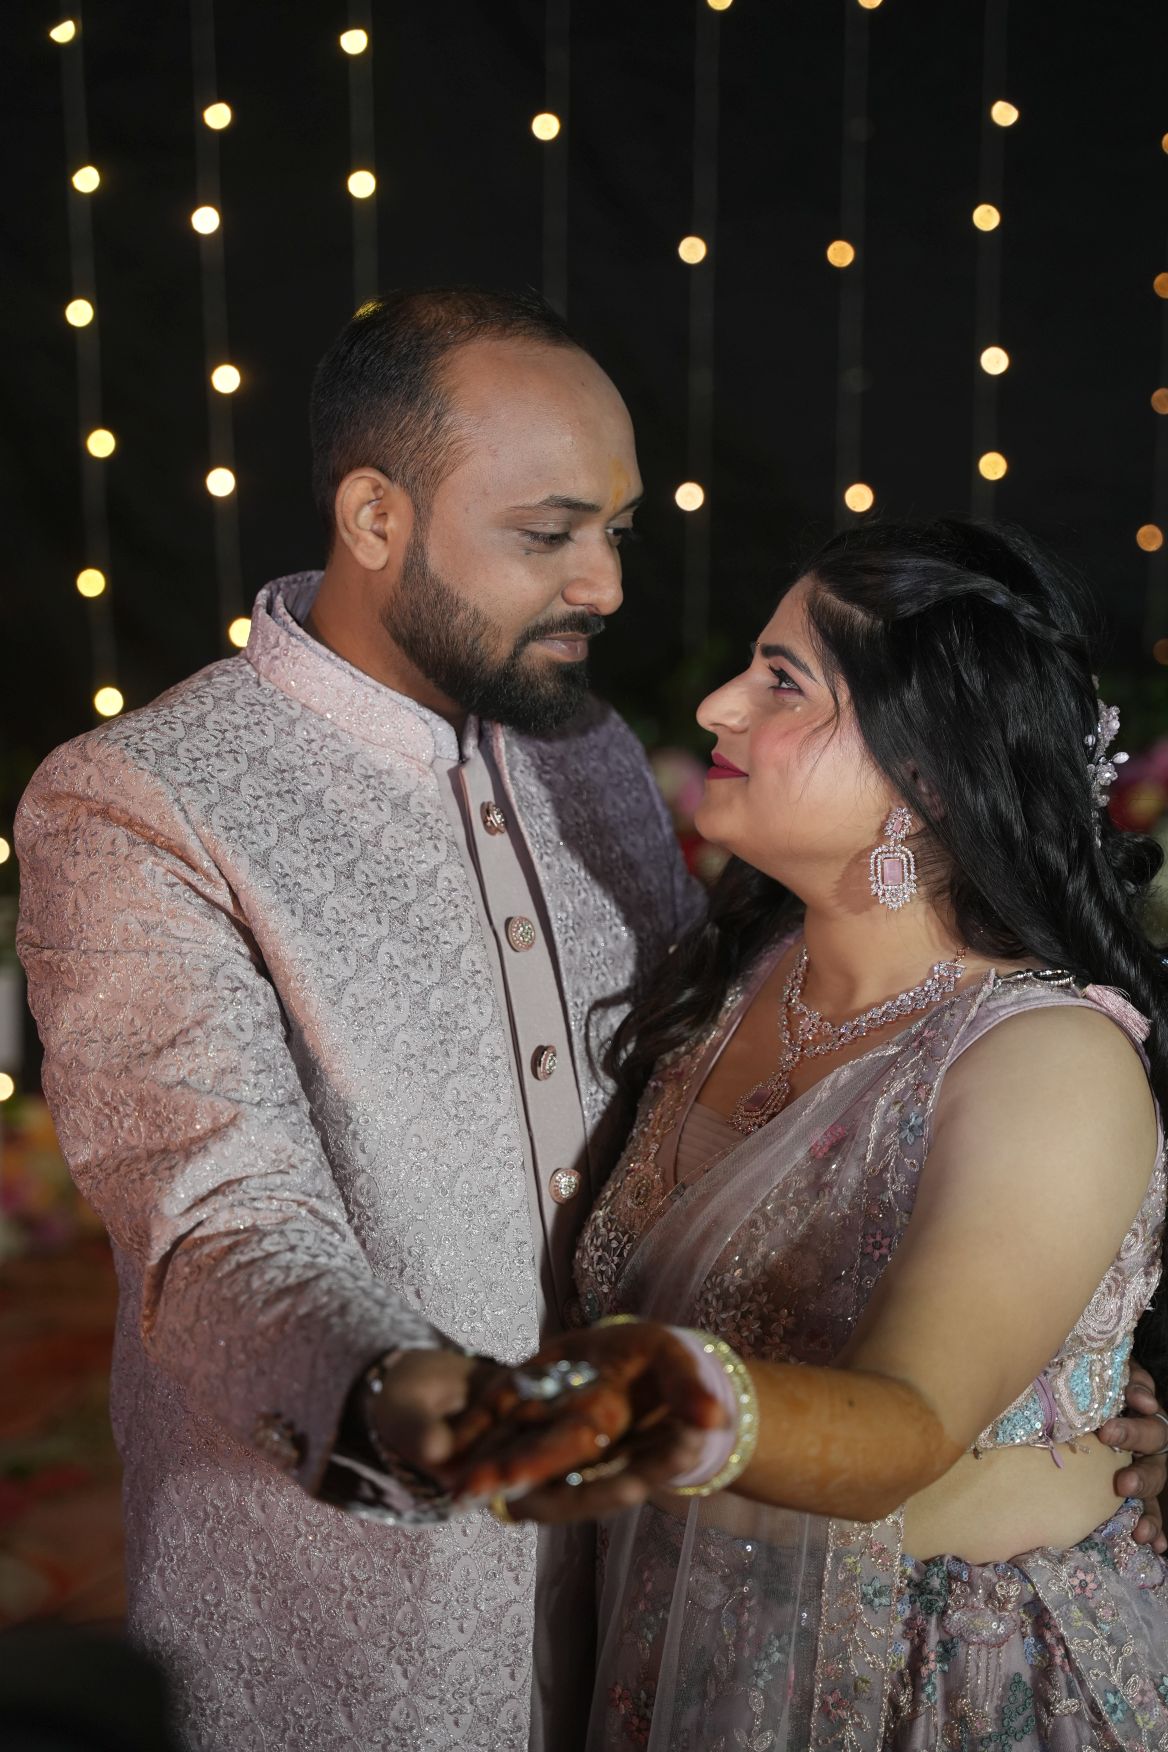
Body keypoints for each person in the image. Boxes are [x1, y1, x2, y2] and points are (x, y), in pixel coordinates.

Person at [14, 286, 702, 1752]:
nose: (604, 584)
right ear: (375, 515)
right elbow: (213, 1223)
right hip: (355, 1607)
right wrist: (394, 1393)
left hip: (662, 1581)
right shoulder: (144, 796)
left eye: (618, 530)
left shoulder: (591, 754)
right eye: (548, 533)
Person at [450, 519, 1168, 1749]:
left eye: (781, 682)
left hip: (941, 1680)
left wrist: (646, 1397)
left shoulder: (1045, 1060)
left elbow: (905, 1422)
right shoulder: (737, 979)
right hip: (682, 1659)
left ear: (927, 778)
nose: (718, 707)